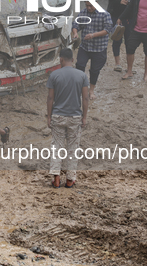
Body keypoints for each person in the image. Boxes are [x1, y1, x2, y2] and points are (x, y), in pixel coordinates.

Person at [46, 48, 89, 189]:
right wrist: (84, 117)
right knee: (72, 149)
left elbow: (50, 98)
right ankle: (70, 179)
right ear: (73, 59)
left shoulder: (54, 75)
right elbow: (85, 98)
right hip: (75, 117)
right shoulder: (82, 75)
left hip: (58, 116)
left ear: (61, 59)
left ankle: (56, 178)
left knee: (57, 147)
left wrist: (49, 116)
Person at [72, 1, 113, 100]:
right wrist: (75, 33)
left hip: (99, 47)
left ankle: (91, 91)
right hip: (85, 46)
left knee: (94, 70)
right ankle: (81, 88)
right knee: (80, 66)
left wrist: (93, 35)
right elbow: (76, 25)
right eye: (87, 5)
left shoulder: (105, 14)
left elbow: (108, 30)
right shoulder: (83, 13)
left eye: (91, 5)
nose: (89, 8)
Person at [106, 0, 140, 72]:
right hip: (116, 14)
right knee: (117, 38)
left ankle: (129, 66)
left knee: (130, 40)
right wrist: (119, 0)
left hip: (129, 17)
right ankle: (117, 63)